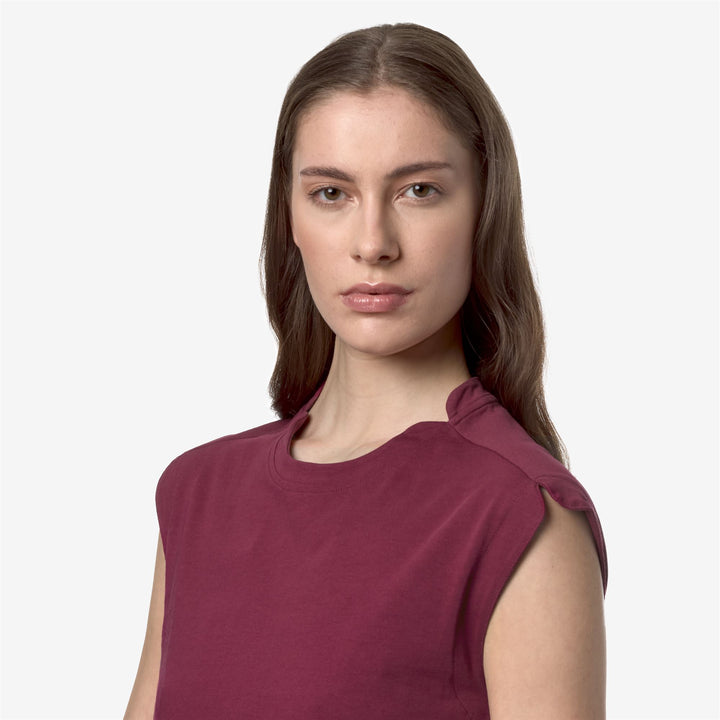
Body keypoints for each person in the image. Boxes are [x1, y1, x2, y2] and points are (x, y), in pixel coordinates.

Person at [124, 22, 608, 720]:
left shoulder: (522, 514)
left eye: (419, 190)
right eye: (332, 193)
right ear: (290, 217)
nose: (373, 243)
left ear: (484, 209)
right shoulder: (197, 493)